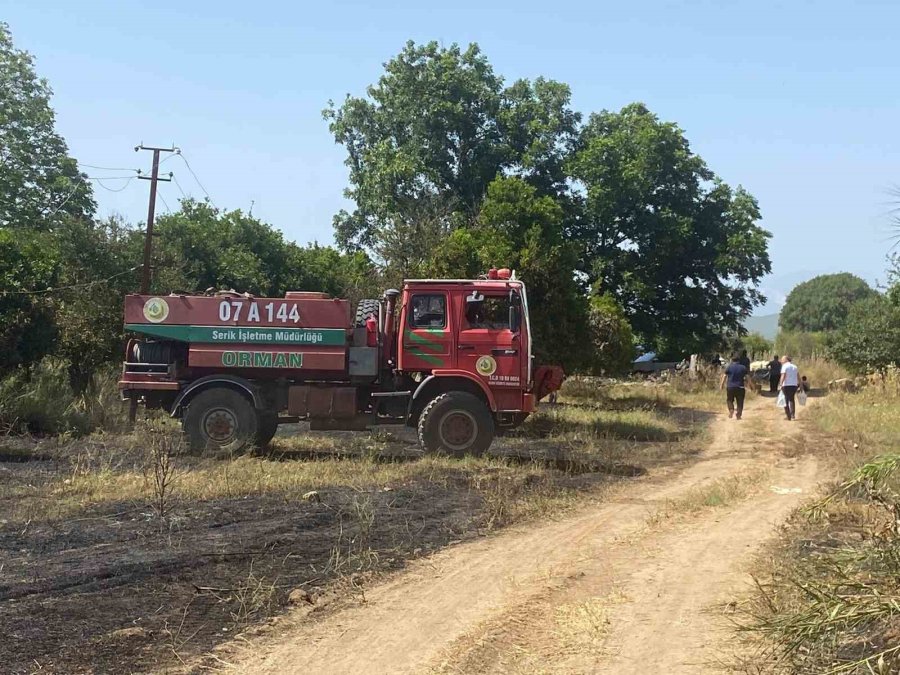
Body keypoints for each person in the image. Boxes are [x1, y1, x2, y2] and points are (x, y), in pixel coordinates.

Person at [720, 354, 748, 420]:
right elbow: (747, 377)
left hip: (730, 387)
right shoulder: (743, 367)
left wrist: (721, 385)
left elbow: (724, 376)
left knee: (729, 400)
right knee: (740, 401)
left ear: (732, 360)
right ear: (739, 360)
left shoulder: (729, 367)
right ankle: (738, 414)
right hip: (740, 387)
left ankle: (731, 409)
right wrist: (751, 385)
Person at [778, 355, 801, 420]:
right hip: (794, 385)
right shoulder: (795, 366)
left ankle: (788, 416)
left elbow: (783, 376)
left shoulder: (784, 366)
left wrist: (780, 384)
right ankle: (792, 415)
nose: (781, 361)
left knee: (785, 400)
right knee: (791, 399)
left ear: (786, 360)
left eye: (782, 359)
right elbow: (798, 376)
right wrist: (800, 385)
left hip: (786, 385)